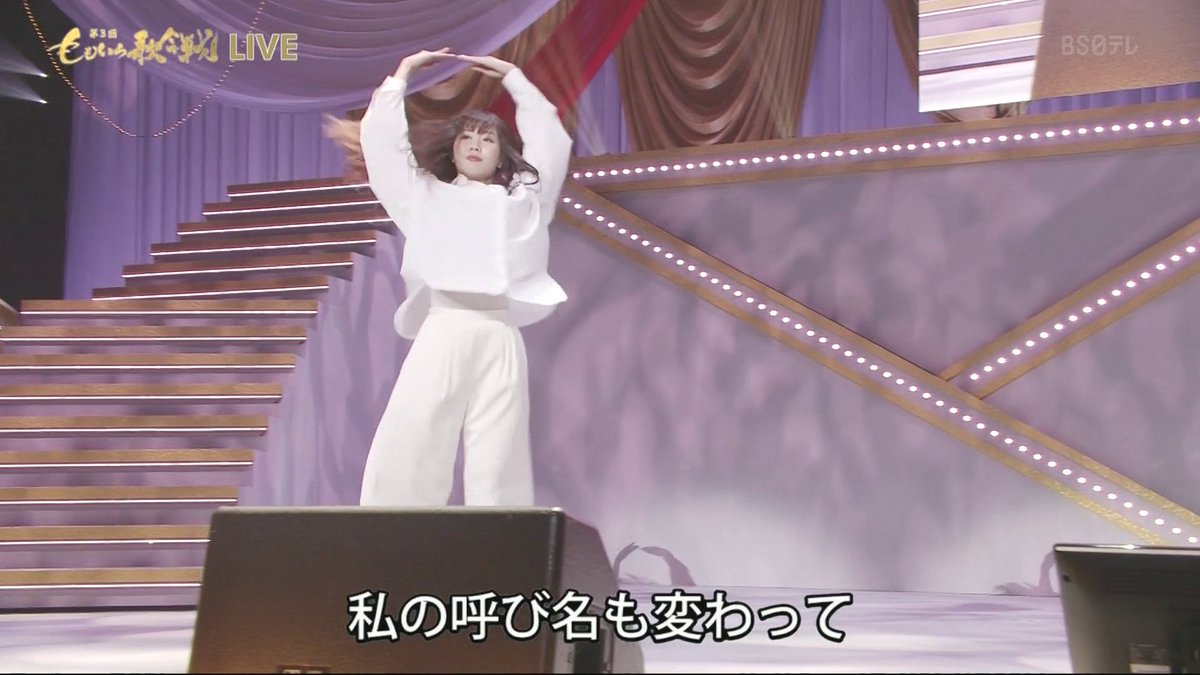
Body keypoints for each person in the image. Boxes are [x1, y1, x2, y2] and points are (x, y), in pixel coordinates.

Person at [329, 48, 572, 507]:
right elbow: (383, 148)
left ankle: (500, 538)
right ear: (453, 150)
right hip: (444, 327)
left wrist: (515, 79)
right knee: (416, 434)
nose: (475, 145)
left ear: (502, 154)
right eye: (466, 138)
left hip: (498, 331)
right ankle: (392, 530)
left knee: (500, 453)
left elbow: (551, 145)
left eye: (487, 138)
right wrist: (402, 74)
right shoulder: (424, 195)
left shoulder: (523, 202)